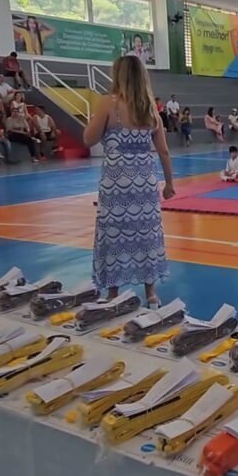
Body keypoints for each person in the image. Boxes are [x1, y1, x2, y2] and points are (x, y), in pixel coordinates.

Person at [84, 56, 172, 305]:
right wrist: (169, 184)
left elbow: (88, 139)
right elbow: (164, 151)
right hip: (144, 181)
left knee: (113, 234)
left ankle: (113, 293)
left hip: (116, 181)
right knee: (146, 233)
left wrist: (94, 121)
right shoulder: (150, 109)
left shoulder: (108, 104)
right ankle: (151, 293)